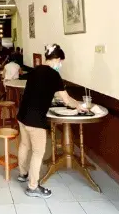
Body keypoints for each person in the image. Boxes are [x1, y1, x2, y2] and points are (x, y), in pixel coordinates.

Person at [16, 44, 83, 198]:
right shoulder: (54, 75)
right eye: (61, 62)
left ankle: (22, 173)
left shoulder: (35, 70)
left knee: (25, 144)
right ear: (57, 59)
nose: (60, 65)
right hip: (35, 119)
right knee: (38, 152)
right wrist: (78, 106)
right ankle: (33, 187)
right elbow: (65, 99)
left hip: (23, 114)